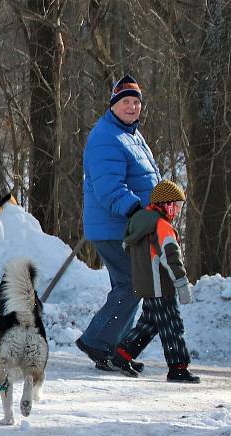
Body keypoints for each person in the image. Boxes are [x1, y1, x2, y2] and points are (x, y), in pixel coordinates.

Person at [76, 74, 159, 372]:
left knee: (129, 285)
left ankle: (113, 349)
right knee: (131, 284)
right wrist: (137, 209)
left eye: (136, 102)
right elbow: (108, 186)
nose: (132, 107)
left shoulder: (131, 135)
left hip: (130, 225)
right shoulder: (105, 137)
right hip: (115, 224)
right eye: (126, 101)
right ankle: (98, 342)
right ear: (113, 105)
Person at [109, 180, 199, 383]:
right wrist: (181, 283)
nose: (177, 210)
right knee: (171, 326)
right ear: (166, 205)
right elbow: (171, 257)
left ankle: (122, 356)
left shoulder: (139, 223)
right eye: (176, 205)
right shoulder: (161, 226)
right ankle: (178, 368)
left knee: (149, 324)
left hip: (146, 286)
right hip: (161, 287)